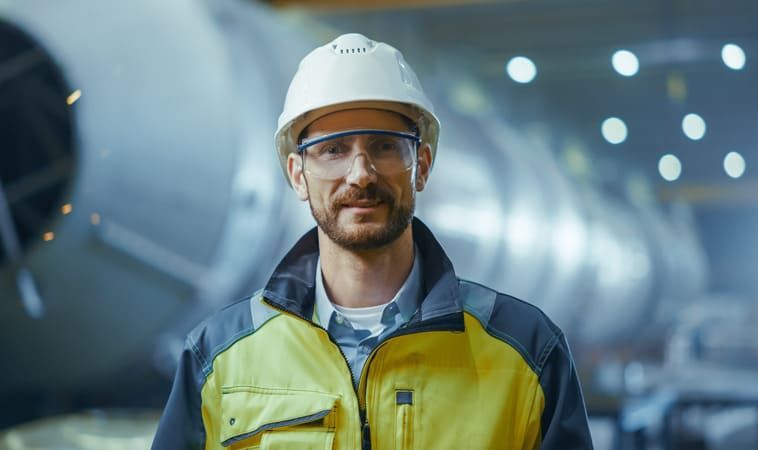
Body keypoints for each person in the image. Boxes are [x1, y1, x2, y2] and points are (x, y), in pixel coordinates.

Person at [152, 33, 593, 450]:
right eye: (333, 150)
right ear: (297, 175)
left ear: (421, 164)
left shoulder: (528, 351)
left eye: (385, 147)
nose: (360, 174)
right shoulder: (218, 357)